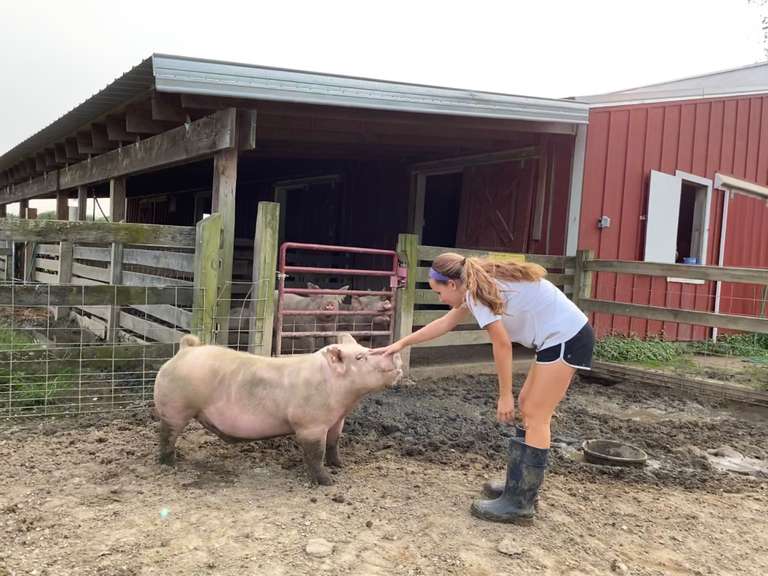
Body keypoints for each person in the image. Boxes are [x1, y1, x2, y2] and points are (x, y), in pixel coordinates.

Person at [369, 252, 594, 524]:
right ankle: (518, 485)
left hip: (567, 338)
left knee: (535, 414)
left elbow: (502, 344)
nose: (441, 300)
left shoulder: (477, 293)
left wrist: (503, 396)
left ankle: (520, 503)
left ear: (452, 284)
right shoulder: (475, 284)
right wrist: (400, 344)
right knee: (528, 405)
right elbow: (445, 323)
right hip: (556, 337)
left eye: (439, 293)